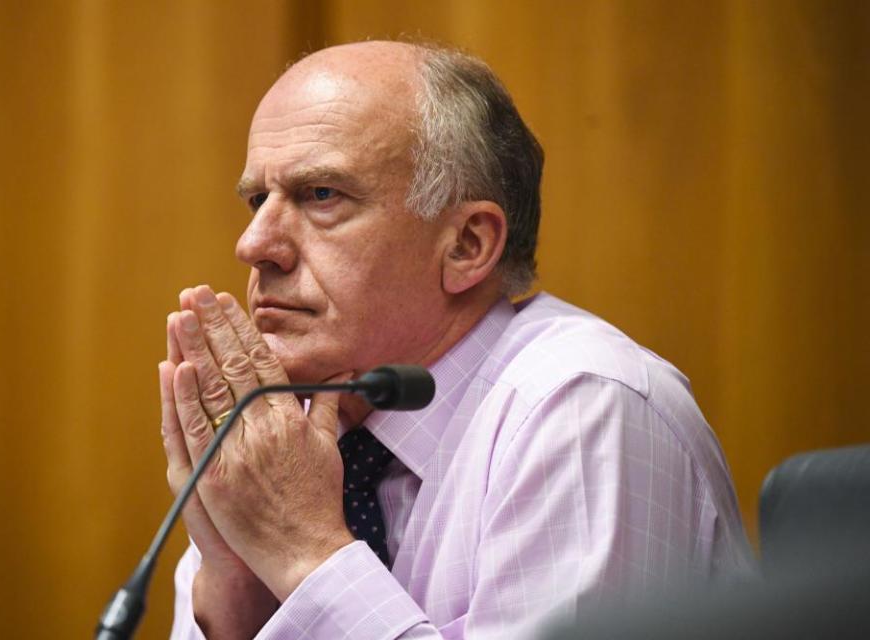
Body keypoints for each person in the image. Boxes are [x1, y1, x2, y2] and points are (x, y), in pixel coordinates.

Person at [160, 41, 753, 639]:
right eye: (258, 200)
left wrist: (304, 554)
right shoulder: (284, 447)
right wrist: (236, 579)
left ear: (467, 245)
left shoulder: (582, 406)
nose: (255, 244)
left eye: (321, 196)